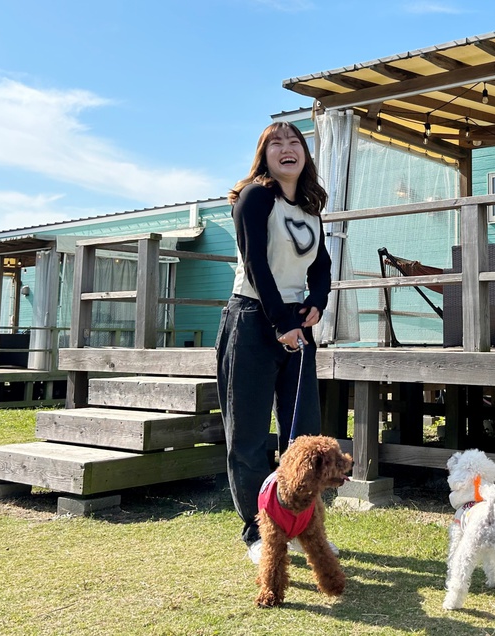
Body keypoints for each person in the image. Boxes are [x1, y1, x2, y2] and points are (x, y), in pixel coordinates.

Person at [215, 121, 332, 565]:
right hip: (251, 320)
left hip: (295, 323)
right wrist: (281, 320)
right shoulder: (255, 197)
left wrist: (316, 304)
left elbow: (320, 263)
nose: (287, 149)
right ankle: (258, 531)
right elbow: (257, 265)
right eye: (276, 143)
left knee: (302, 435)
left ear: (305, 153)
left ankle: (305, 528)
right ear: (264, 155)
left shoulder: (309, 207)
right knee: (247, 437)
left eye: (295, 142)